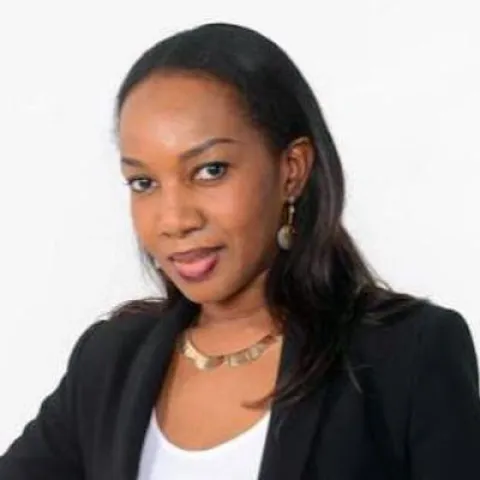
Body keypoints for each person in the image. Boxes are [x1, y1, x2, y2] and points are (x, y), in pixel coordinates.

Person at [1, 22, 479, 480]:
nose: (174, 219)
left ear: (291, 170)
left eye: (210, 170)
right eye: (143, 182)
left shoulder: (408, 355)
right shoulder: (110, 361)